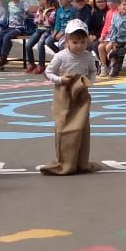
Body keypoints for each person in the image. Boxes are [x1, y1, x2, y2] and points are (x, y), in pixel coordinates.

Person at [40, 20, 101, 175]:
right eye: (75, 42)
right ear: (66, 40)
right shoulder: (61, 56)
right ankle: (66, 162)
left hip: (81, 94)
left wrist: (89, 82)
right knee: (64, 126)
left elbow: (93, 71)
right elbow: (49, 72)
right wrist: (60, 80)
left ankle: (81, 161)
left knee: (81, 127)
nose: (79, 45)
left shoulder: (88, 56)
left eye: (82, 42)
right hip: (63, 93)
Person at [101, 0, 126, 77]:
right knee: (110, 48)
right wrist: (113, 41)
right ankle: (112, 65)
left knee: (120, 54)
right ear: (119, 6)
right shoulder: (115, 16)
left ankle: (115, 68)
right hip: (117, 39)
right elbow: (113, 28)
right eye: (124, 5)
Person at [26, 0, 56, 73]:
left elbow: (50, 22)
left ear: (45, 0)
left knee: (40, 44)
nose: (38, 1)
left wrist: (42, 20)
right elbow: (35, 20)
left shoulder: (53, 10)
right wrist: (40, 20)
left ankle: (41, 65)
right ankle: (31, 64)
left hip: (48, 31)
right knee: (28, 45)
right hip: (38, 30)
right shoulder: (40, 9)